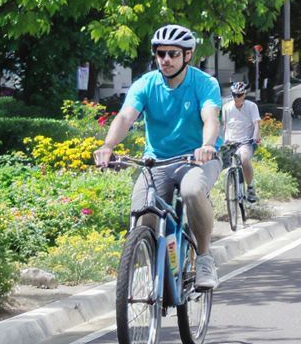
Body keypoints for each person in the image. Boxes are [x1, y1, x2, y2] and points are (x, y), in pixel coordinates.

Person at [94, 24, 222, 290]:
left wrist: (207, 144)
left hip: (196, 159)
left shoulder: (204, 83)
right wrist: (108, 146)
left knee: (191, 190)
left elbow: (210, 117)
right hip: (157, 161)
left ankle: (205, 257)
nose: (166, 59)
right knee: (144, 214)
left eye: (173, 53)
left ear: (187, 55)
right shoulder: (145, 84)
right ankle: (157, 266)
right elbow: (126, 116)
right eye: (160, 53)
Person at [221, 80, 261, 202]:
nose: (236, 97)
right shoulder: (226, 107)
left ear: (244, 94)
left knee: (244, 159)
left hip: (246, 141)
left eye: (239, 95)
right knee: (216, 163)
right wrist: (220, 142)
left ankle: (250, 188)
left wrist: (255, 138)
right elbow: (224, 126)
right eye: (234, 94)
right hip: (230, 141)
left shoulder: (251, 106)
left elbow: (257, 124)